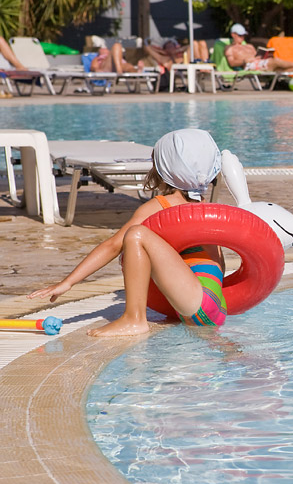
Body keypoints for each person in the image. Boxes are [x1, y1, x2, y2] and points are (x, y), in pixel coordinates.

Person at [29, 129, 226, 337]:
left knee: (136, 235)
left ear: (163, 170)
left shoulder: (159, 206)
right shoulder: (207, 209)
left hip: (197, 300)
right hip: (214, 305)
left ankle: (134, 319)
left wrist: (68, 282)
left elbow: (113, 245)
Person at [224, 23, 293, 72]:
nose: (242, 37)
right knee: (276, 61)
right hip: (249, 65)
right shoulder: (230, 48)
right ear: (233, 35)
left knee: (281, 69)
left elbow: (257, 55)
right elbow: (231, 63)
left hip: (260, 62)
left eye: (243, 35)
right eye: (240, 35)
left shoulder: (249, 46)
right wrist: (244, 61)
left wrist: (265, 55)